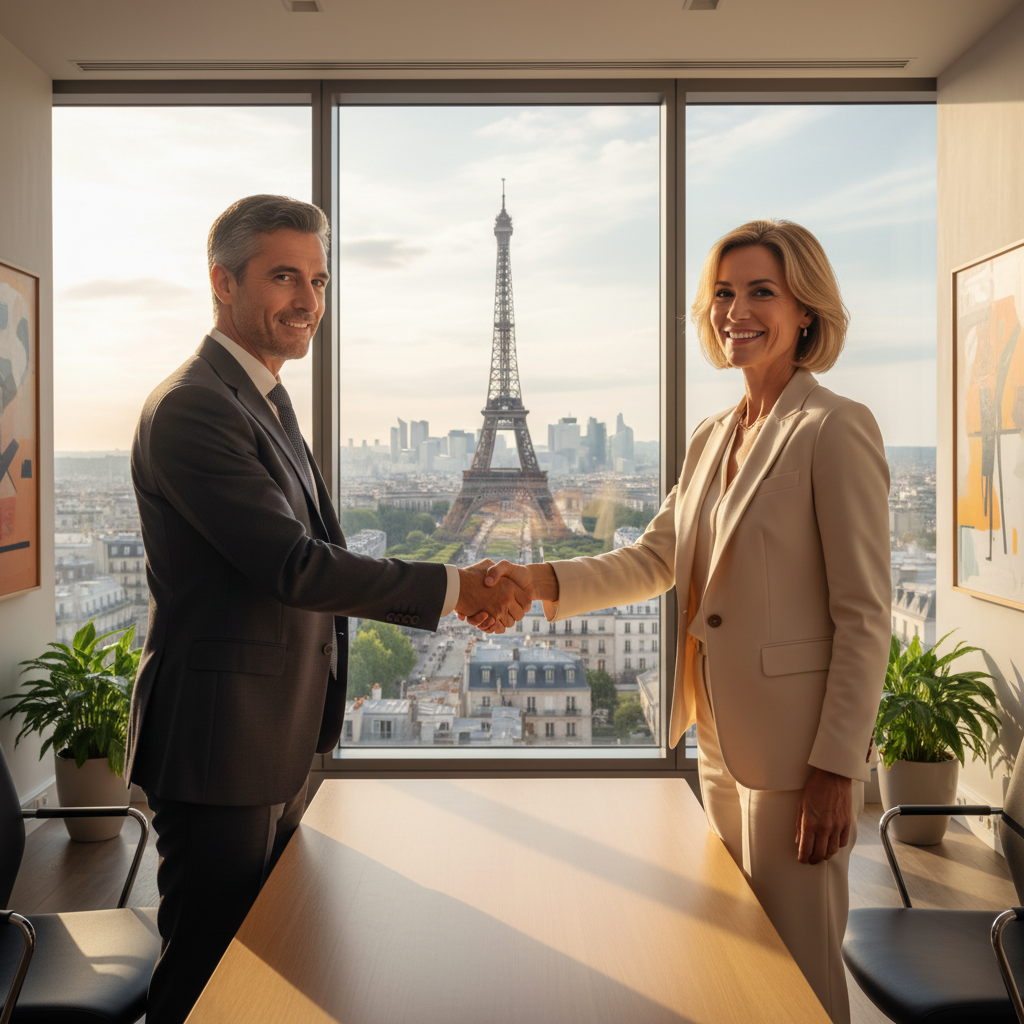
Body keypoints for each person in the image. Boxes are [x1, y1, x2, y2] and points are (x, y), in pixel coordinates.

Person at [127, 194, 529, 1024]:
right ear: (221, 281)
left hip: (272, 729)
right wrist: (457, 588)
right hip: (220, 740)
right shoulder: (197, 405)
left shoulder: (262, 398)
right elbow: (294, 566)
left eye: (318, 277)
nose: (308, 299)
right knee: (207, 969)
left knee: (261, 959)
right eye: (283, 275)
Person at [483, 220, 891, 1024]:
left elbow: (865, 613)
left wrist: (838, 767)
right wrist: (532, 581)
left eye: (761, 293)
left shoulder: (834, 427)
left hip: (795, 753)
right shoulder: (712, 436)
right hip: (718, 740)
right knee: (740, 958)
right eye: (724, 294)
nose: (736, 310)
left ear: (807, 310)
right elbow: (652, 560)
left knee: (801, 969)